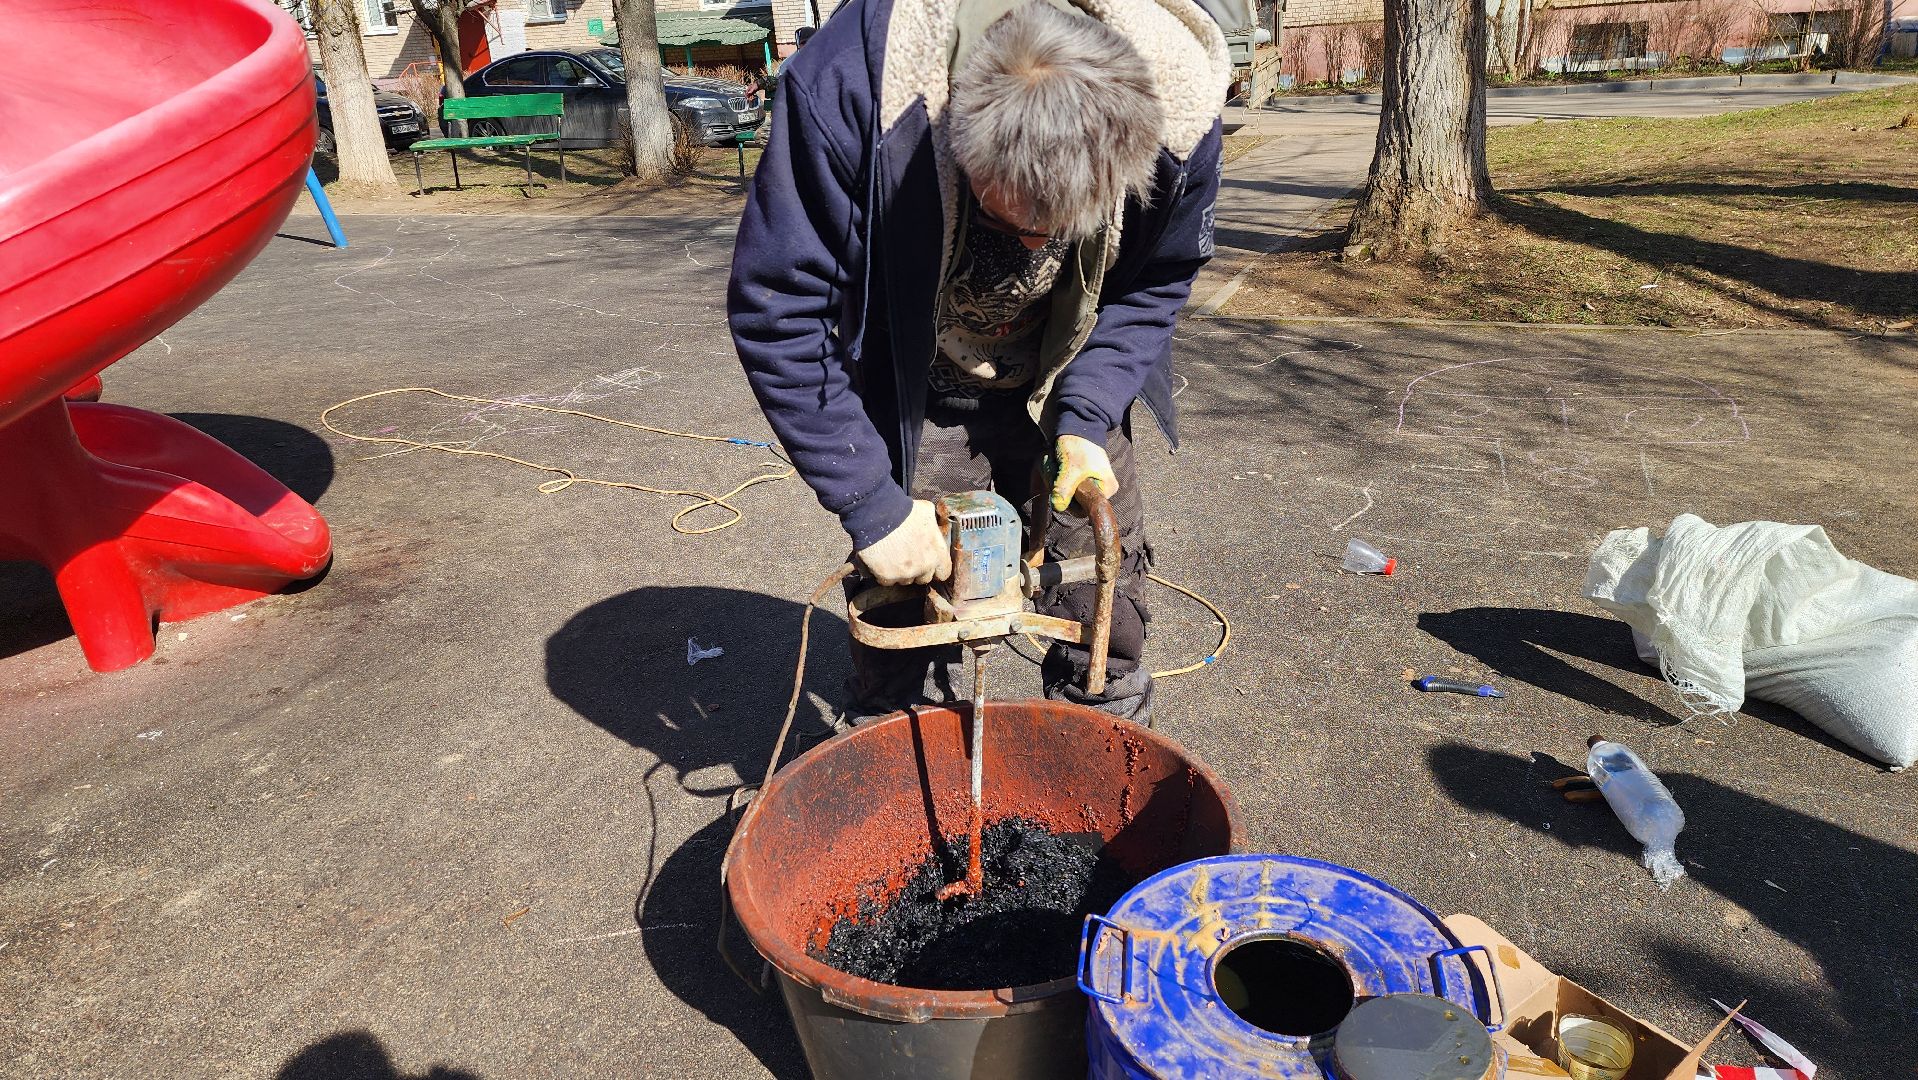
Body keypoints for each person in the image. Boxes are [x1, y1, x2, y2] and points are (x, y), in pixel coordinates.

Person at [729, 0, 1228, 725]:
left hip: (1069, 370)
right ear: (959, 129)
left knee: (1101, 601)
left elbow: (1156, 279)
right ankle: (900, 757)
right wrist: (872, 504)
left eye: (1058, 227)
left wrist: (1087, 414)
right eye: (1007, 220)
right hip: (919, 383)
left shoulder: (1180, 117)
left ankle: (1097, 757)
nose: (1033, 249)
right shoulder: (854, 91)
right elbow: (779, 309)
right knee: (906, 615)